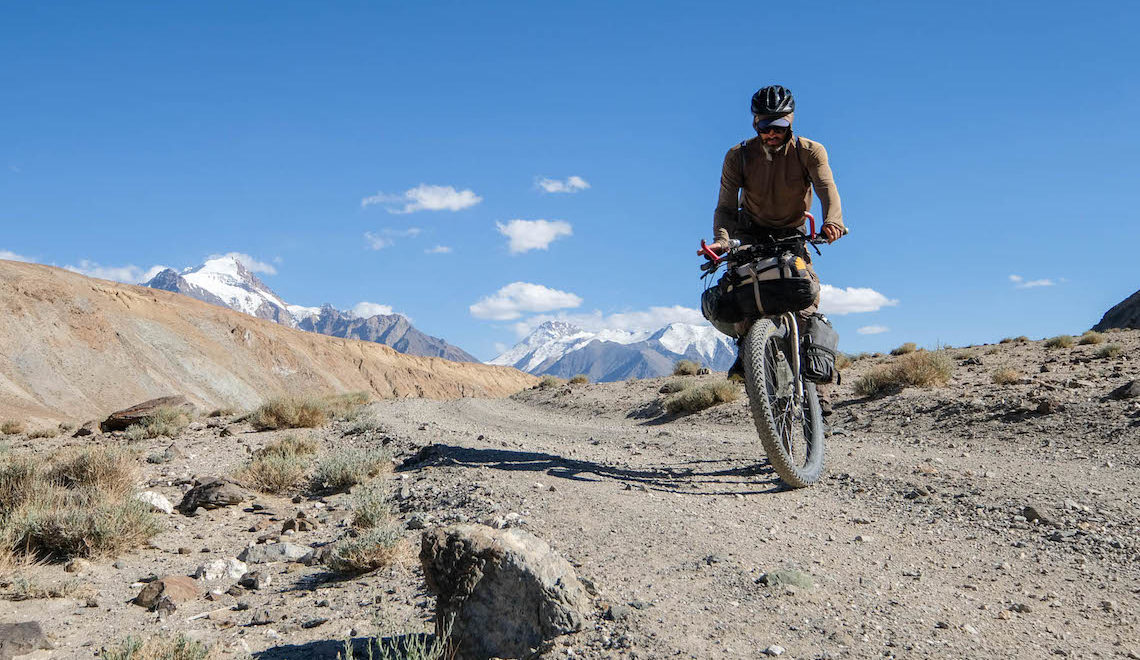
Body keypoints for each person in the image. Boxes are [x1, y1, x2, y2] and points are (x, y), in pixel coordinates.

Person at [700, 84, 846, 413]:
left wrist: (832, 221)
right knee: (741, 290)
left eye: (778, 127)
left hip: (793, 231)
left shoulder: (810, 151)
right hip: (748, 231)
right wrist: (722, 240)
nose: (771, 134)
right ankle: (750, 357)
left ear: (791, 121)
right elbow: (724, 207)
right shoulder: (738, 156)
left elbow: (826, 188)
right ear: (755, 124)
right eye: (763, 127)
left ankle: (818, 396)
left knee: (804, 299)